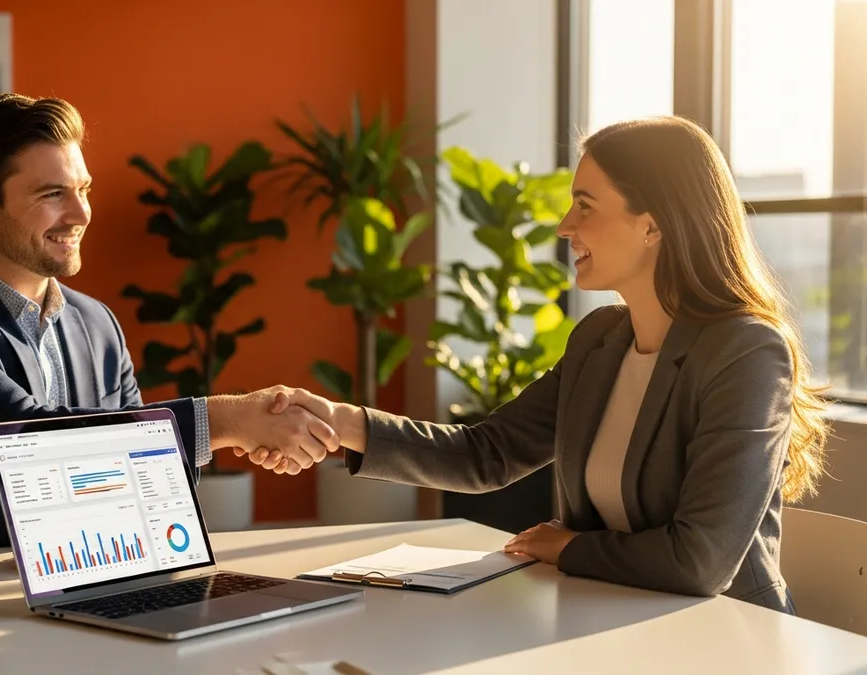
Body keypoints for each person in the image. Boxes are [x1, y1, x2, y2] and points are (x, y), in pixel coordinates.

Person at [240, 116, 830, 613]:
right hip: (606, 616)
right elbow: (486, 454)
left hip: (722, 640)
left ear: (652, 225)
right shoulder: (599, 340)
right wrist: (340, 422)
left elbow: (699, 562)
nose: (564, 226)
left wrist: (564, 546)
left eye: (584, 205)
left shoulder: (747, 353)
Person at [0, 93, 336, 551]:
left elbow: (135, 469)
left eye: (83, 189)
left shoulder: (97, 324)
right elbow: (26, 444)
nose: (82, 213)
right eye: (52, 194)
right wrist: (228, 420)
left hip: (86, 584)